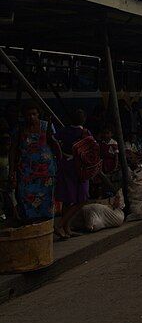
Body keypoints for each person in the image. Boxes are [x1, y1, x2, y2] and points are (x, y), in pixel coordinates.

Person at [12, 102, 58, 225]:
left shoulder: (46, 126)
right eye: (28, 115)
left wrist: (60, 157)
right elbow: (14, 150)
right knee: (24, 195)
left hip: (45, 170)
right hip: (26, 170)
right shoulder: (20, 129)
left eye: (34, 114)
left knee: (46, 197)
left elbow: (54, 144)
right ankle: (29, 221)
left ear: (38, 114)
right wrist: (12, 170)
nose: (31, 117)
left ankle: (45, 223)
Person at [54, 109, 91, 239]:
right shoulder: (85, 133)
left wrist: (61, 154)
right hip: (79, 168)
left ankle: (66, 228)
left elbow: (53, 139)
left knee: (67, 198)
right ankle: (60, 225)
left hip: (66, 165)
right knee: (82, 199)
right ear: (84, 119)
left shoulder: (64, 131)